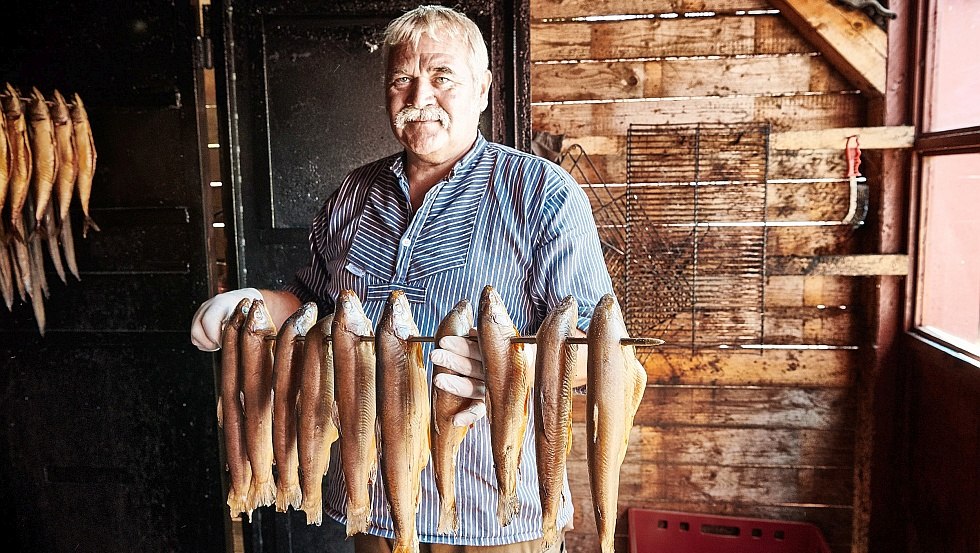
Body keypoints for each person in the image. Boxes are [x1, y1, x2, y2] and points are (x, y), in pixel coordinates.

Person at [190, 5, 613, 552]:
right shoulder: (352, 194)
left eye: (442, 77)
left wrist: (516, 366)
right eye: (401, 80)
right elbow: (311, 305)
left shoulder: (543, 193)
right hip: (374, 508)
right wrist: (253, 305)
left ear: (483, 89)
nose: (419, 97)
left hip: (497, 516)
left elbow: (595, 352)